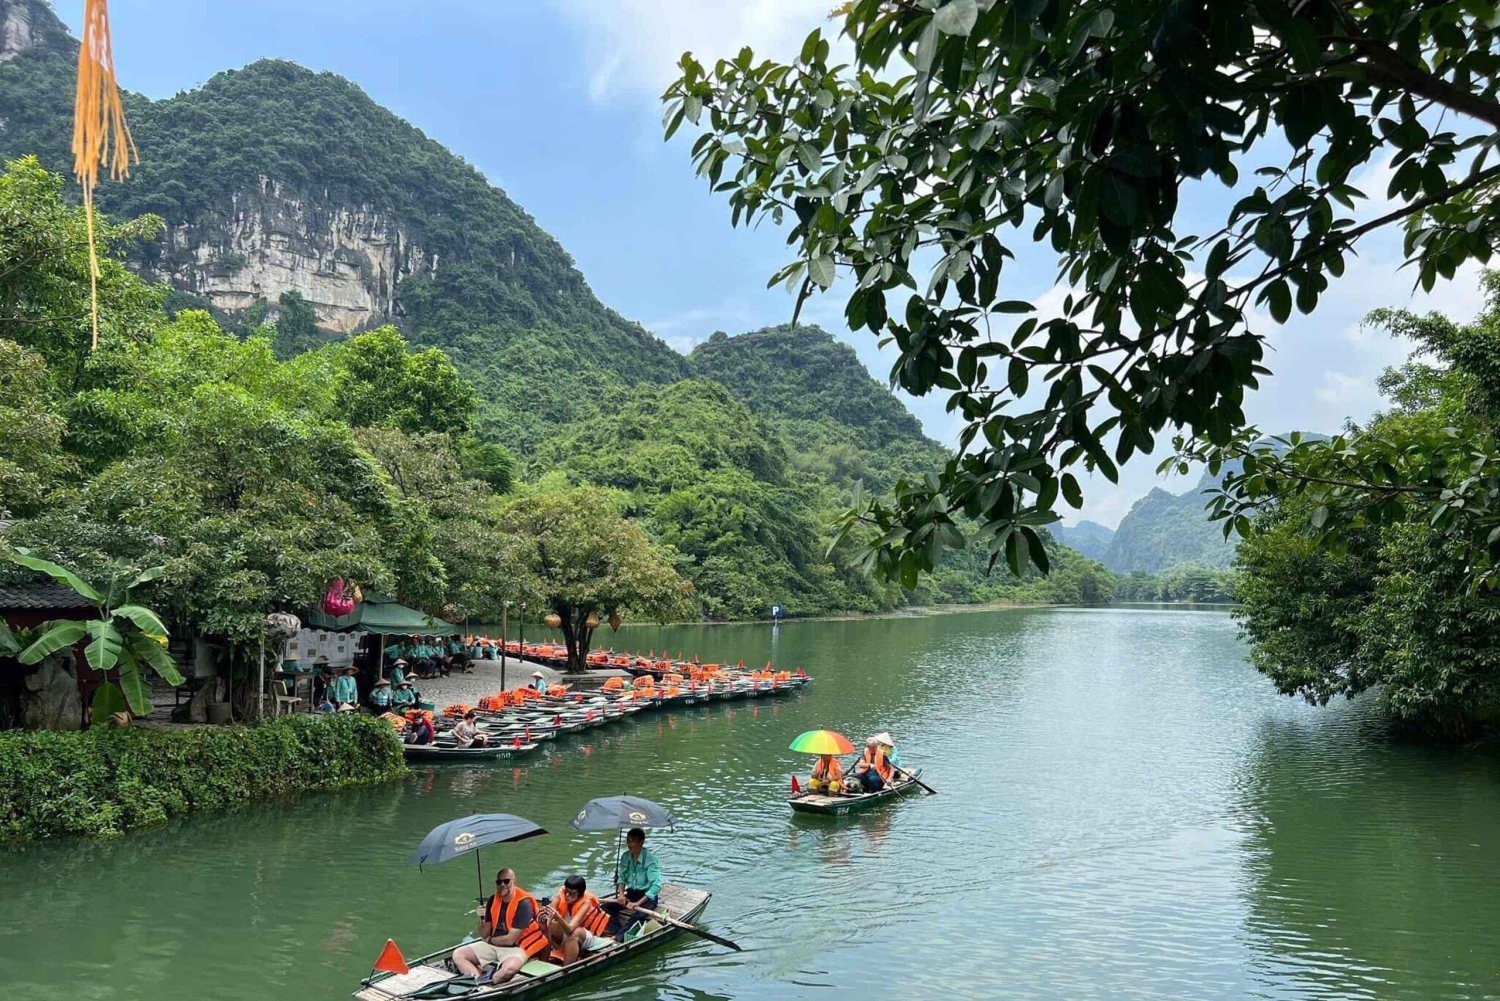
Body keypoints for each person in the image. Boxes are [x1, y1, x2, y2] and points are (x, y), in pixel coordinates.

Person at [452, 868, 550, 984]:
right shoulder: (492, 900)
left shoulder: (523, 904)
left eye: (506, 881)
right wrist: (481, 918)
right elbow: (484, 934)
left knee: (509, 970)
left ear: (514, 882)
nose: (502, 884)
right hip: (493, 945)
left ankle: (490, 983)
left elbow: (510, 940)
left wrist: (490, 940)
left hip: (517, 948)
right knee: (458, 954)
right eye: (499, 882)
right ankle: (477, 982)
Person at [601, 827, 660, 940]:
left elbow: (656, 886)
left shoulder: (650, 859)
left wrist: (637, 903)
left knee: (639, 915)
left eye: (633, 841)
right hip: (631, 894)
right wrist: (621, 895)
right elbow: (622, 878)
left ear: (641, 842)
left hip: (646, 897)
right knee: (604, 908)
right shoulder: (626, 856)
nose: (629, 844)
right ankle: (617, 932)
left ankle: (617, 938)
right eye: (628, 841)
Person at [542, 875, 613, 964]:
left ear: (579, 894)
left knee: (575, 933)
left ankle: (566, 968)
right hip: (566, 937)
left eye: (571, 893)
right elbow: (547, 923)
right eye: (566, 891)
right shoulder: (559, 897)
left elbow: (570, 930)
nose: (567, 895)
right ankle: (543, 962)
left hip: (588, 937)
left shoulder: (586, 903)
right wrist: (544, 921)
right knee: (548, 926)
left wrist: (558, 918)